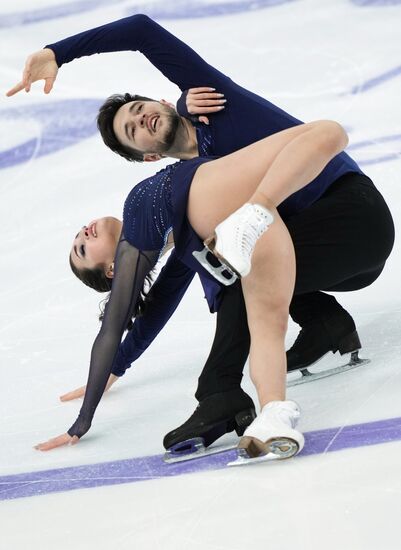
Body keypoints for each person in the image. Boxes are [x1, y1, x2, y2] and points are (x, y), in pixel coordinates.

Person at [7, 15, 395, 451]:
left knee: (233, 267)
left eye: (140, 110)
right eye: (132, 131)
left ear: (161, 102)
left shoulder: (212, 100)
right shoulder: (185, 190)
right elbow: (164, 291)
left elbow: (140, 30)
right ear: (148, 158)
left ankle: (220, 393)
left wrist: (58, 52)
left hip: (352, 212)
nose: (142, 120)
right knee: (227, 255)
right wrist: (115, 364)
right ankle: (324, 325)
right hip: (334, 259)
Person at [35, 119, 352, 458]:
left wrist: (116, 368)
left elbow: (155, 309)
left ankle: (274, 413)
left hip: (244, 219)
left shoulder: (167, 240)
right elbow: (114, 329)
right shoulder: (137, 239)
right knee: (268, 329)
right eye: (82, 249)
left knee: (267, 327)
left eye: (78, 236)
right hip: (244, 218)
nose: (84, 233)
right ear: (114, 270)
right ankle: (275, 416)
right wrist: (81, 422)